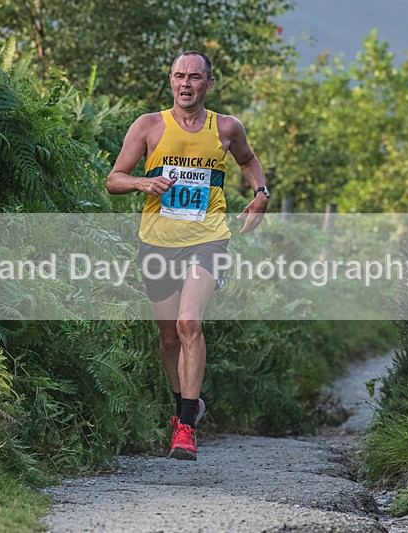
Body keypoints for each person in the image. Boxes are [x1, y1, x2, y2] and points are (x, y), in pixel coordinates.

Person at [106, 51, 270, 461]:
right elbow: (114, 179)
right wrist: (143, 184)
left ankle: (184, 428)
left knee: (188, 323)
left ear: (208, 84)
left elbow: (248, 161)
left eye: (194, 77)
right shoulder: (149, 126)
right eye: (179, 76)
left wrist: (261, 194)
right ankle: (187, 403)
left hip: (209, 237)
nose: (185, 84)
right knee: (167, 338)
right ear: (171, 80)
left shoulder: (227, 128)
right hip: (158, 240)